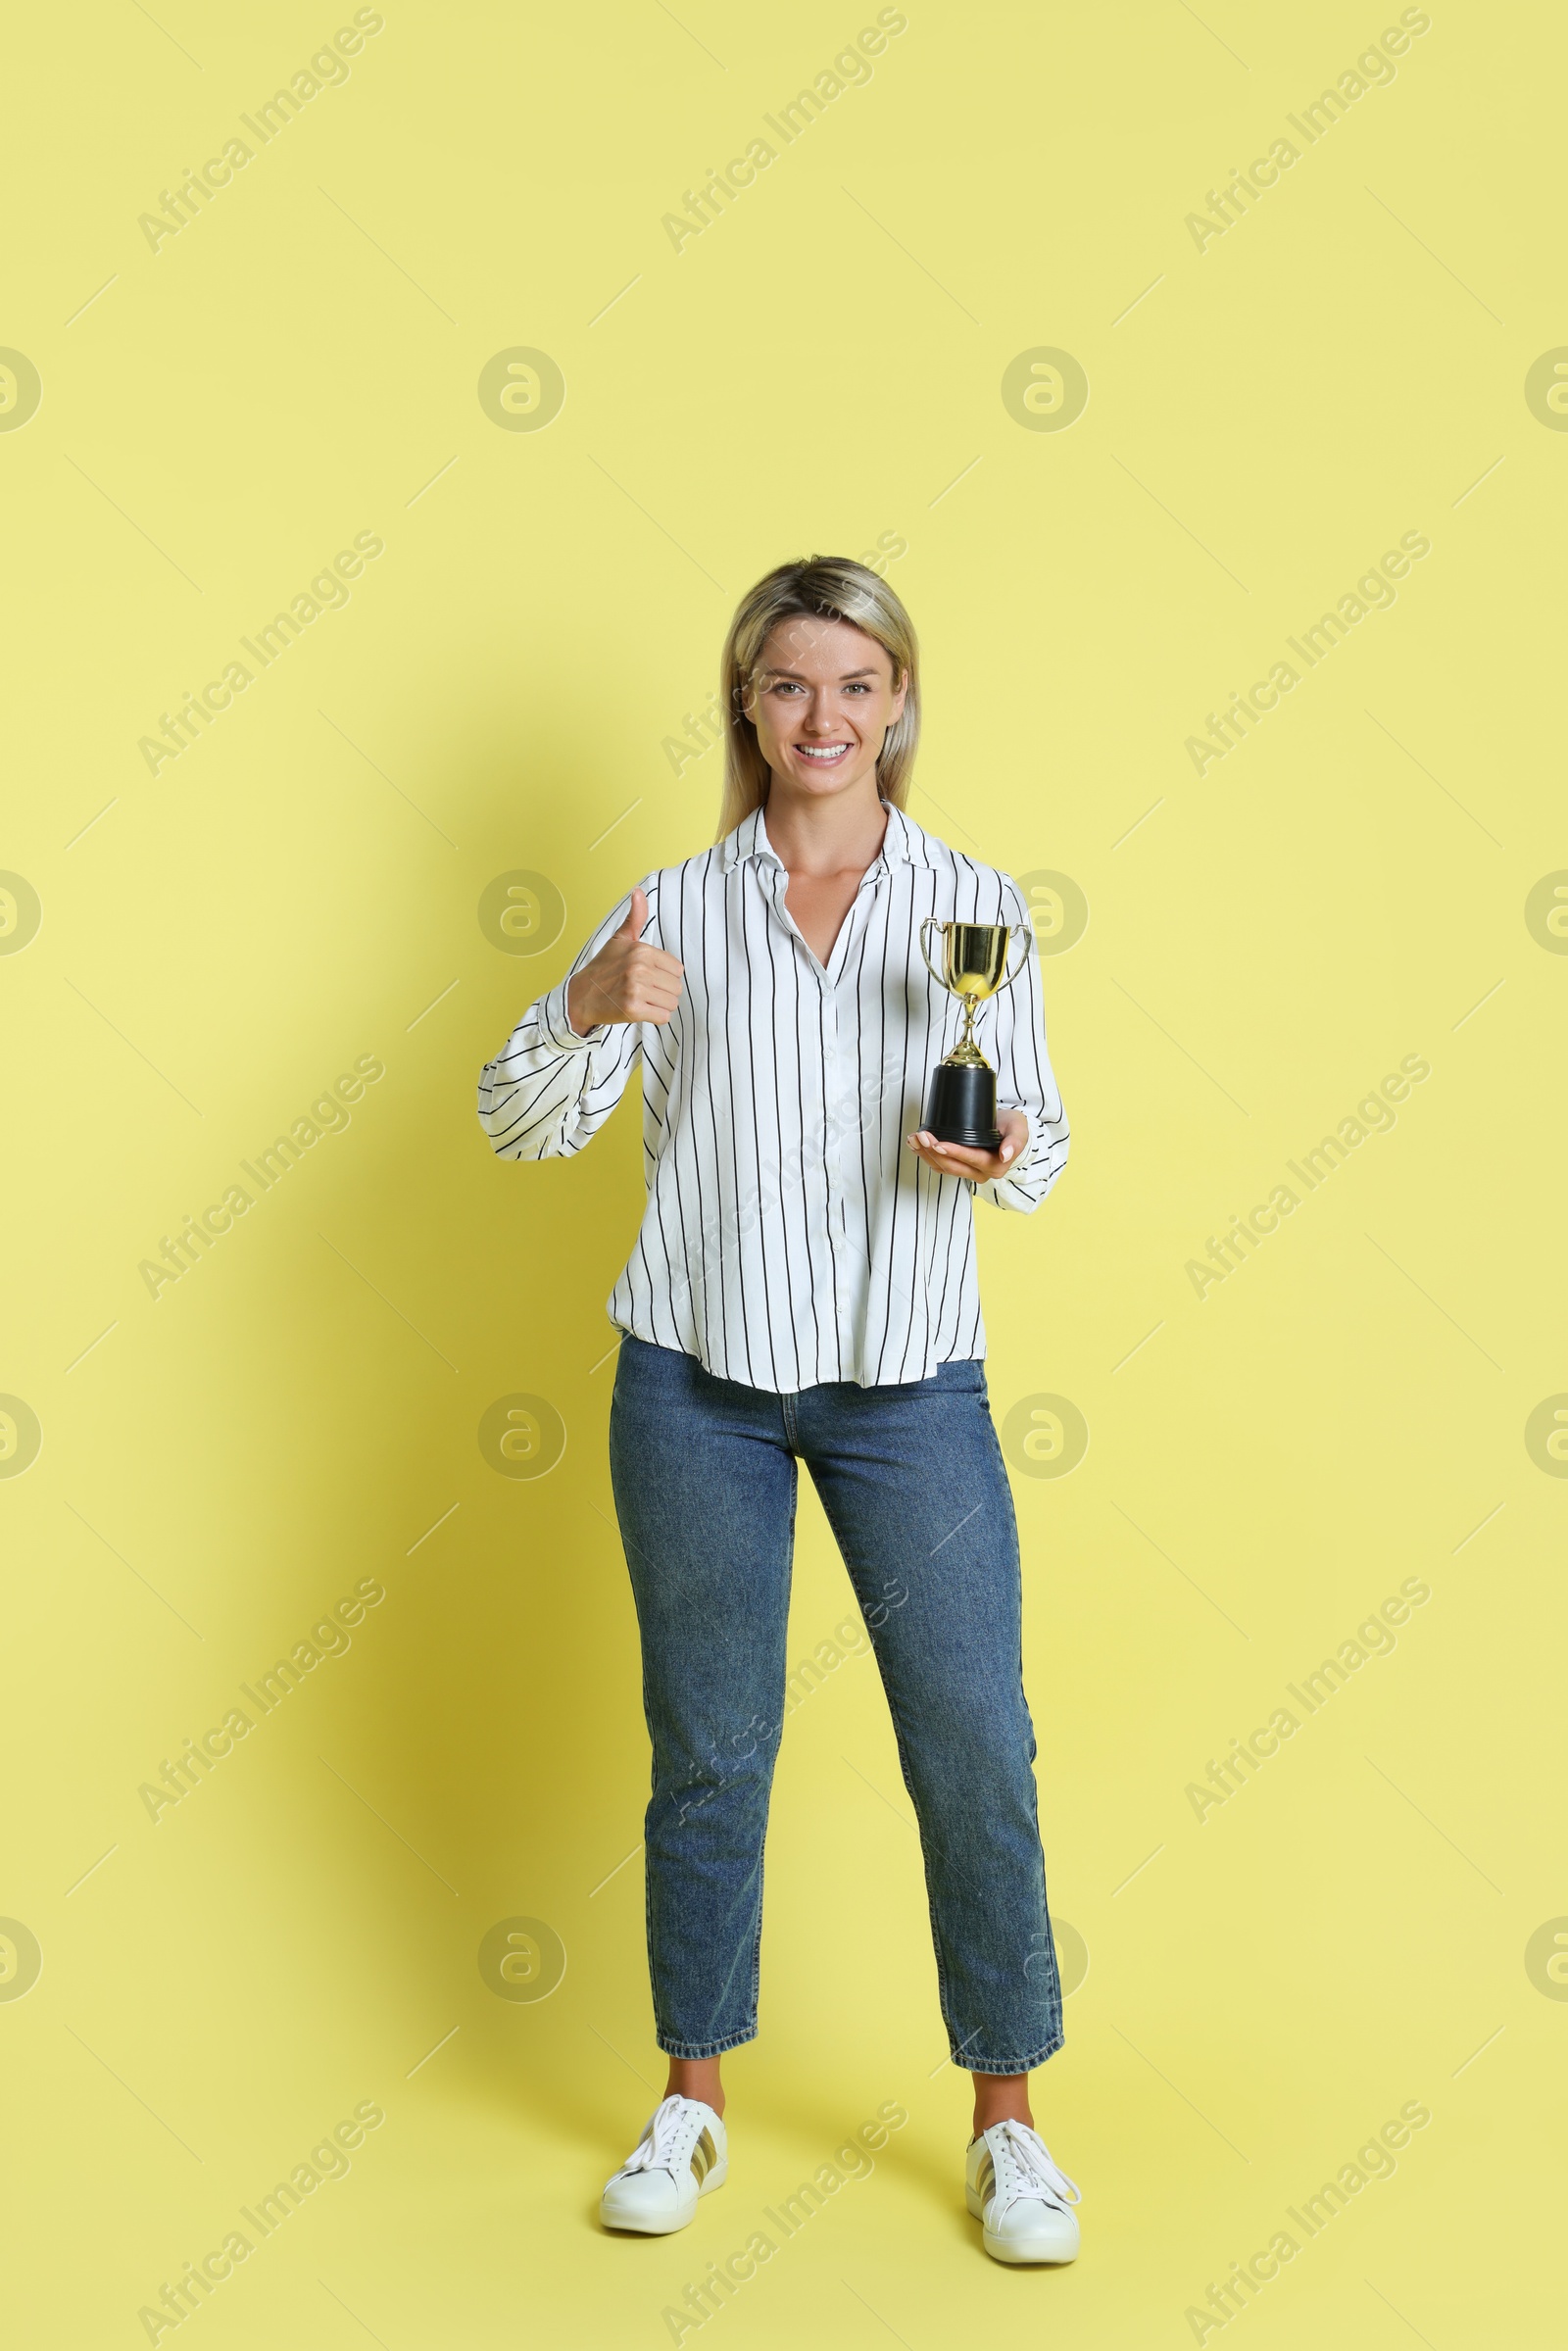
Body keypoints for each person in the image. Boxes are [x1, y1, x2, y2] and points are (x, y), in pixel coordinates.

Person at [477, 557, 1079, 2266]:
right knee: (712, 1749)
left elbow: (1039, 1138)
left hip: (909, 1387)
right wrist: (582, 1009)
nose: (825, 719)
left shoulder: (972, 905)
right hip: (694, 1385)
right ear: (748, 703)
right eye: (792, 685)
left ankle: (1010, 2124)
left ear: (899, 707)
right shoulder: (667, 911)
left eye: (858, 686)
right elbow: (520, 1122)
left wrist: (1008, 1148)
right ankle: (692, 2101)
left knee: (975, 1741)